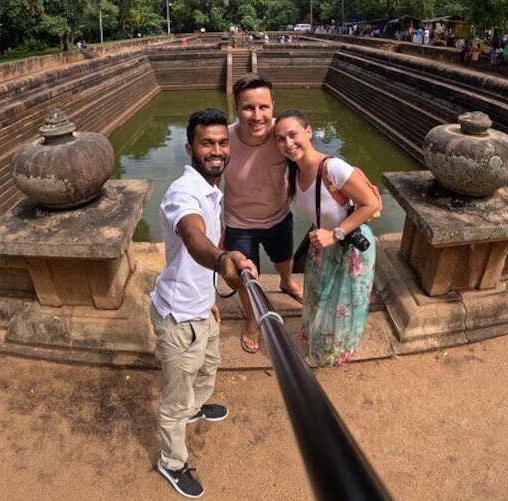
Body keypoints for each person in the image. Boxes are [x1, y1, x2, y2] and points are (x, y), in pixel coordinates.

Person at [150, 108, 257, 498]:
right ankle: (171, 462)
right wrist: (221, 260)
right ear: (190, 148)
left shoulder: (213, 187)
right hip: (179, 317)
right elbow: (194, 237)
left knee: (207, 367)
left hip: (201, 305)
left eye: (222, 142)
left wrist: (210, 292)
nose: (217, 150)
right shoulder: (184, 192)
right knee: (174, 401)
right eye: (206, 143)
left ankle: (196, 407)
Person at [272, 108, 381, 367]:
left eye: (293, 134)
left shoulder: (332, 167)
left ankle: (336, 352)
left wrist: (336, 233)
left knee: (342, 303)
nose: (288, 143)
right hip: (323, 243)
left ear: (309, 132)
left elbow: (372, 204)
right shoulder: (294, 173)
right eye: (280, 138)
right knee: (318, 296)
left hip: (349, 244)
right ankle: (318, 343)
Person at [222, 73, 303, 354]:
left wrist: (348, 186)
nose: (257, 116)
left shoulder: (282, 137)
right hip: (238, 223)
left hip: (278, 215)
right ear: (236, 109)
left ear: (273, 106)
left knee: (284, 259)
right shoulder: (224, 141)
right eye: (248, 108)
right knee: (246, 278)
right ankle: (252, 319)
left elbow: (311, 163)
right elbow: (205, 185)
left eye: (263, 107)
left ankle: (286, 282)